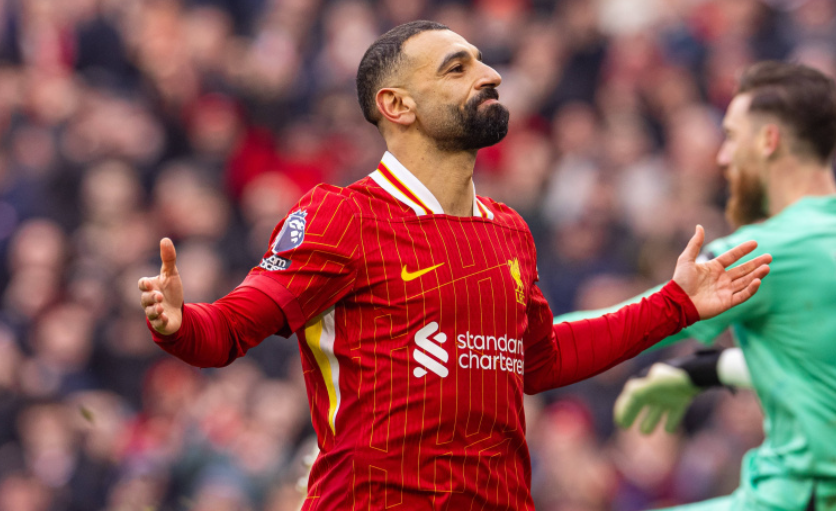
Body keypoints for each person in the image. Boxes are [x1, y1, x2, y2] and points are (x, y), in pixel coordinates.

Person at [138, 21, 770, 510]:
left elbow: (540, 360)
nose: (490, 75)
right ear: (398, 105)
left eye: (482, 61)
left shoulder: (510, 230)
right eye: (458, 68)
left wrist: (675, 304)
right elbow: (231, 328)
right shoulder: (342, 216)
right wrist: (180, 323)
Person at [555, 61, 836, 511]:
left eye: (731, 137)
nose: (722, 158)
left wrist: (499, 341)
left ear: (769, 141)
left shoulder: (761, 252)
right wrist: (703, 371)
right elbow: (814, 368)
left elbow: (609, 326)